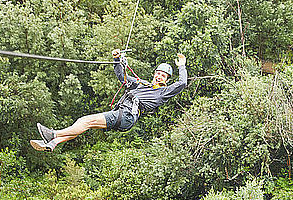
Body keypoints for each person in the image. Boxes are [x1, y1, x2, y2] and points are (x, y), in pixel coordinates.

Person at [30, 49, 187, 151]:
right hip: (121, 114)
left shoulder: (162, 92)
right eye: (158, 73)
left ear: (167, 79)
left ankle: (54, 134)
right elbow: (122, 77)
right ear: (154, 73)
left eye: (163, 75)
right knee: (85, 125)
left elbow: (182, 83)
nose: (159, 76)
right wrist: (117, 60)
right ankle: (52, 143)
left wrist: (182, 66)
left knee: (84, 120)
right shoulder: (140, 84)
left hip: (127, 116)